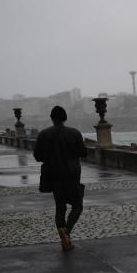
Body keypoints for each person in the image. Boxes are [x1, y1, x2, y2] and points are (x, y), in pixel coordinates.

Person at [34, 106, 87, 252]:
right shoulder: (74, 133)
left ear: (52, 118)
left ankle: (63, 234)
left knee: (60, 207)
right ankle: (67, 232)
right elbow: (83, 152)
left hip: (54, 176)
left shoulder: (43, 134)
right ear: (65, 118)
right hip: (72, 174)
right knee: (77, 206)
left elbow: (37, 156)